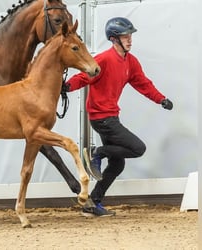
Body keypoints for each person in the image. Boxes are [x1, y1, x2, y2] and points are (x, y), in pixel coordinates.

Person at [65, 17, 173, 217]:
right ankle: (97, 153)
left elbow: (143, 84)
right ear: (114, 39)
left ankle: (92, 204)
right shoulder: (105, 59)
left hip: (111, 116)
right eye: (125, 36)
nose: (130, 40)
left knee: (117, 163)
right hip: (101, 117)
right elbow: (84, 76)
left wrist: (161, 99)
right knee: (137, 148)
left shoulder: (130, 62)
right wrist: (67, 86)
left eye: (130, 36)